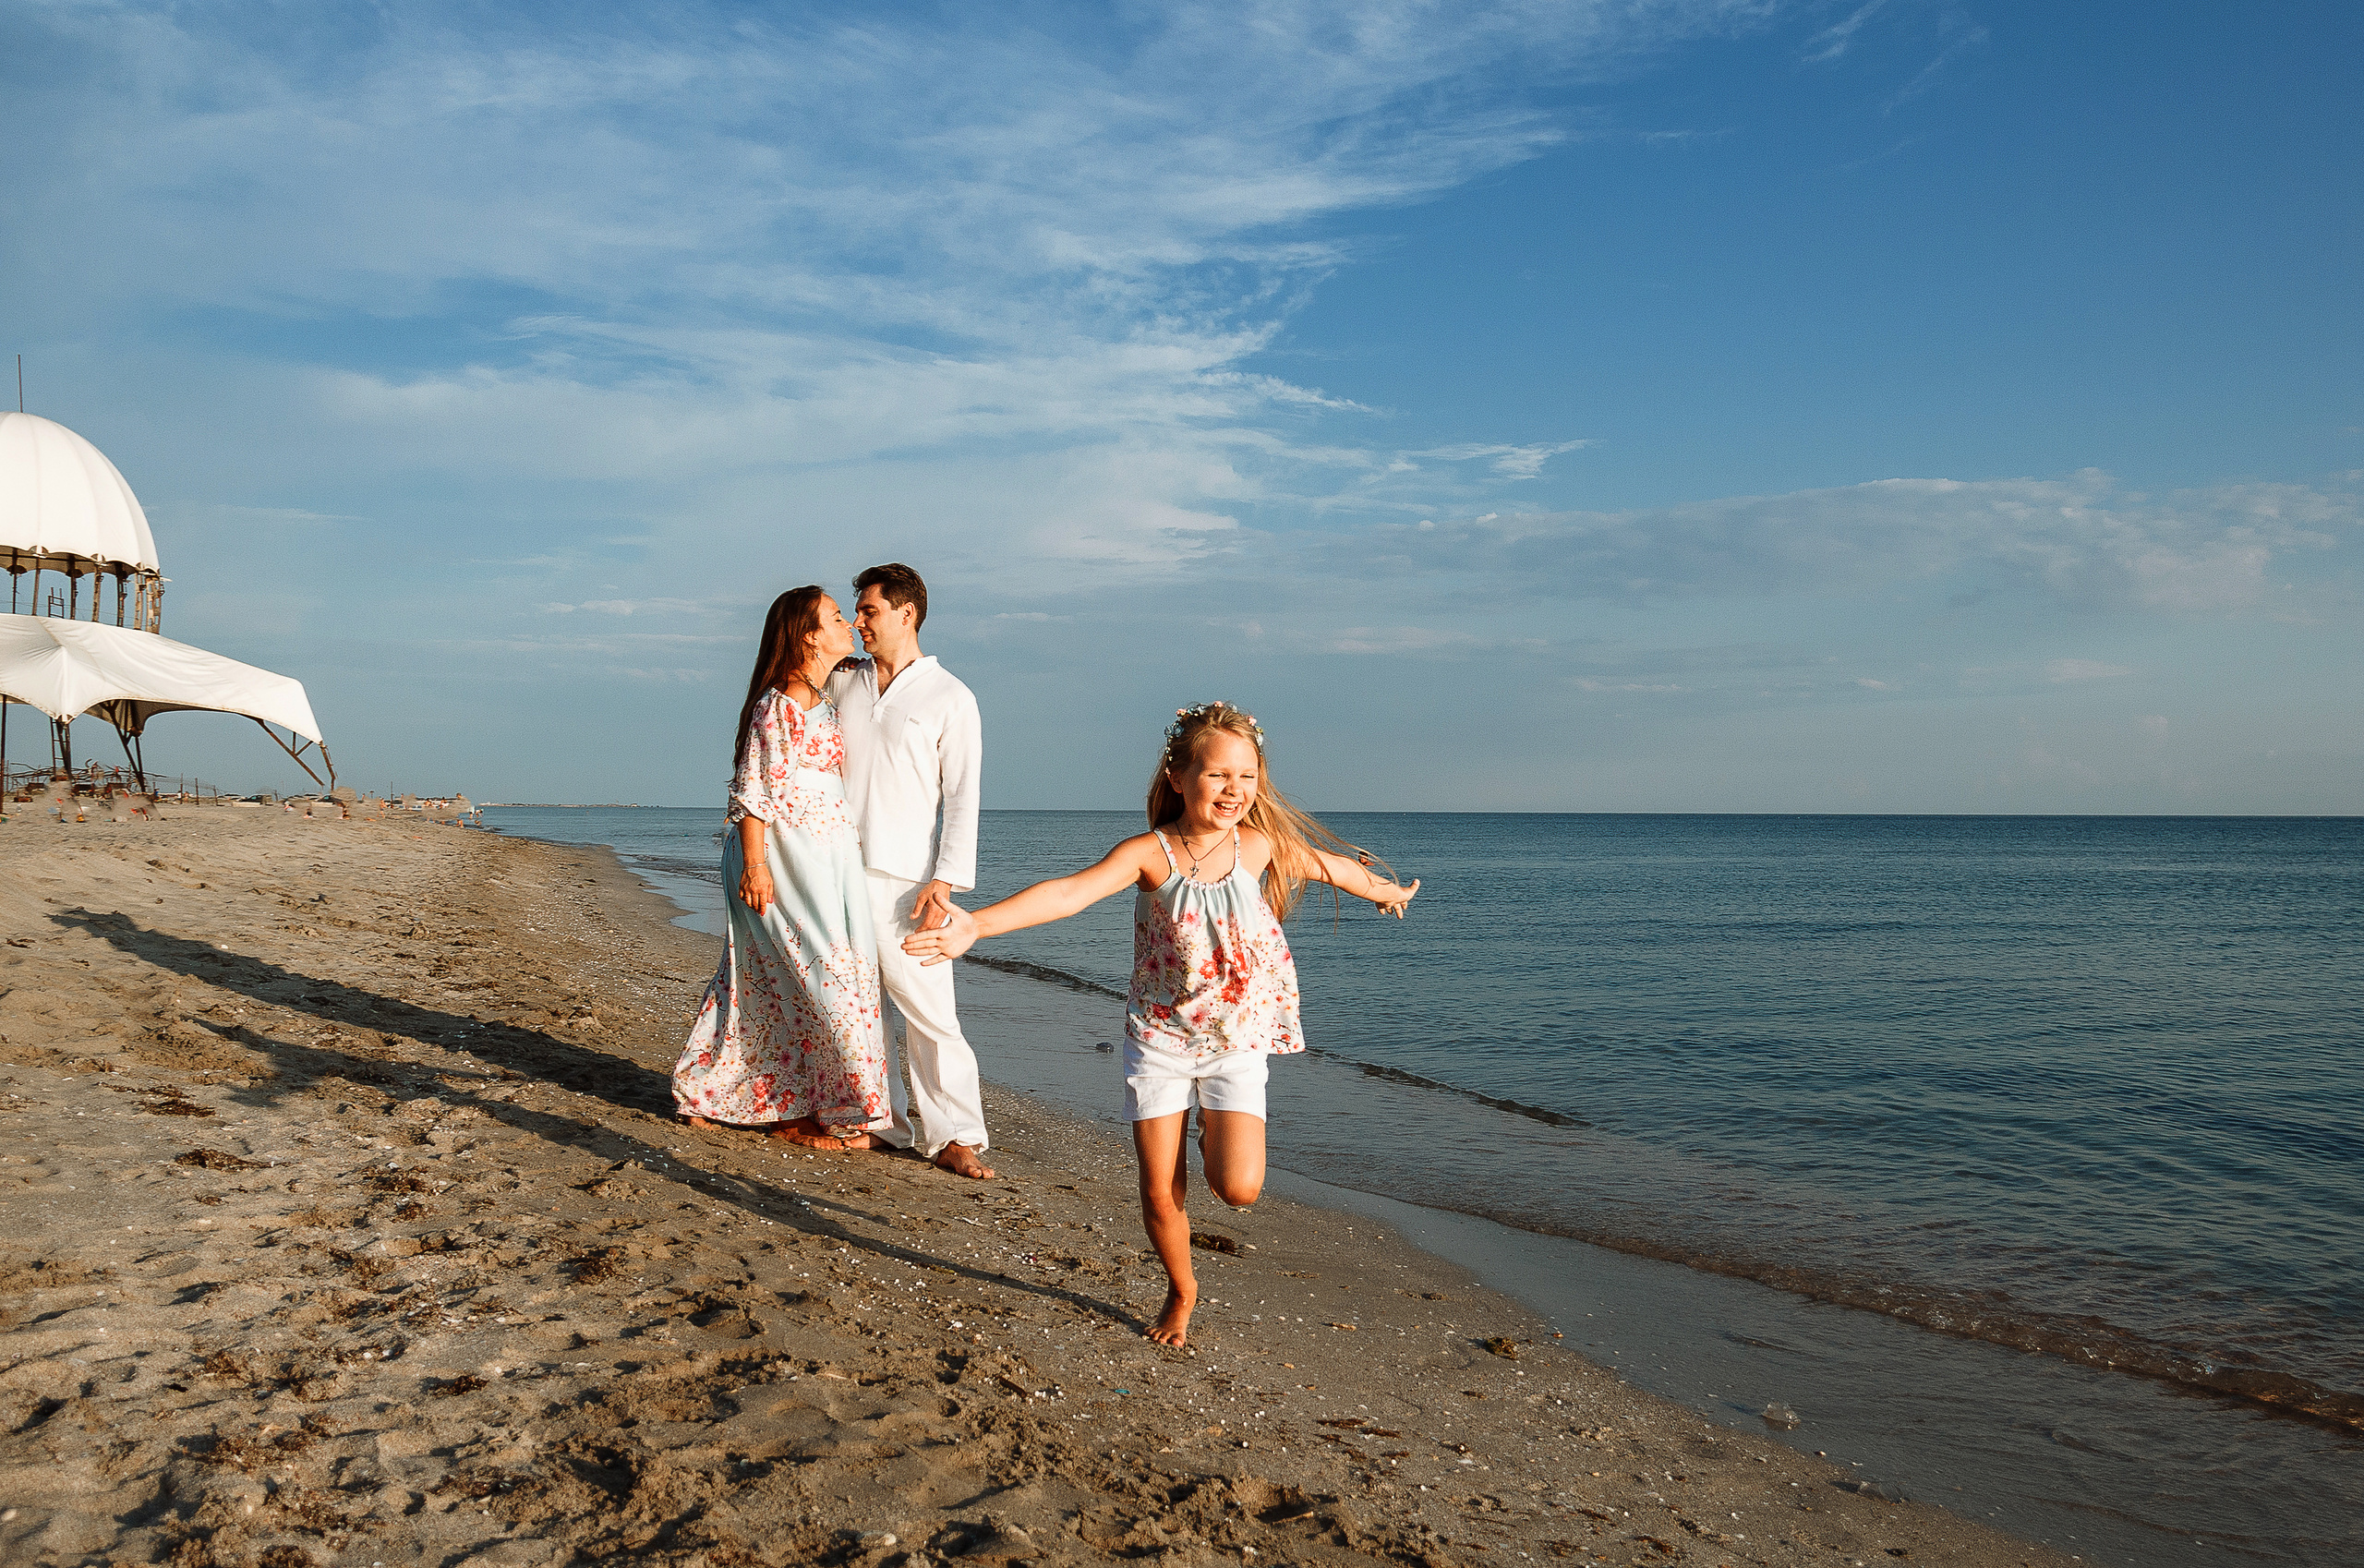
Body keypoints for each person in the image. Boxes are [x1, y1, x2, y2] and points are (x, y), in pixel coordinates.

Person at [903, 701, 1417, 1345]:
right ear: (1177, 776)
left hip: (1234, 1041)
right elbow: (1071, 892)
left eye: (1247, 777)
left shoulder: (1258, 847)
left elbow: (1329, 866)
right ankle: (1181, 1289)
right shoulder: (1151, 854)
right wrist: (977, 924)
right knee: (1156, 1190)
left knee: (1238, 1190)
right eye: (1218, 775)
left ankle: (1212, 1134)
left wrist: (1388, 892)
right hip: (1160, 1040)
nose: (1235, 790)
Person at [673, 586, 895, 1151]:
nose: (848, 625)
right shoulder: (782, 701)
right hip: (781, 860)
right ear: (807, 633)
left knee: (792, 979)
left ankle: (774, 1099)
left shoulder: (820, 695)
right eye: (837, 617)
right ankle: (843, 1107)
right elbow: (753, 792)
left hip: (827, 860)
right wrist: (755, 865)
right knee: (817, 976)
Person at [826, 563, 995, 1179]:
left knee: (928, 1011)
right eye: (856, 610)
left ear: (907, 613)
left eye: (868, 611)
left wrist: (945, 880)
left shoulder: (951, 696)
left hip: (908, 880)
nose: (858, 622)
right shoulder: (844, 681)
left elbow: (963, 796)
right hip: (835, 868)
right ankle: (879, 1124)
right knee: (858, 1006)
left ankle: (956, 1135)